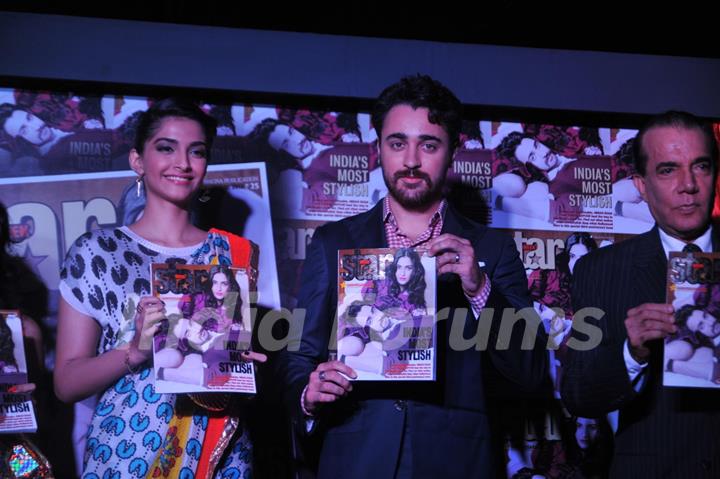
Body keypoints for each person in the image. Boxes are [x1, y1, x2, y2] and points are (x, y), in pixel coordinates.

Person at [279, 74, 545, 478]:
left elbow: (529, 372)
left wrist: (480, 289)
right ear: (379, 147)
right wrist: (308, 393)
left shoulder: (491, 249)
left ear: (453, 150)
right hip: (356, 459)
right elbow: (300, 354)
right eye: (398, 143)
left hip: (457, 462)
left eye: (429, 144)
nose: (411, 160)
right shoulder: (333, 242)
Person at [53, 98, 266, 478]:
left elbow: (228, 362)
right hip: (127, 453)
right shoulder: (98, 252)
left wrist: (241, 361)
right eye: (166, 148)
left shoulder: (234, 253)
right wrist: (134, 351)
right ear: (138, 160)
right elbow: (67, 384)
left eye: (196, 151)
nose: (183, 163)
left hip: (219, 452)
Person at [561, 110, 720, 477]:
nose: (688, 185)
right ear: (641, 186)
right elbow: (578, 393)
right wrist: (631, 354)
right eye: (668, 170)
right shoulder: (600, 270)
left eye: (701, 166)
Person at [179, 265, 246, 332]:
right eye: (215, 283)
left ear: (230, 285)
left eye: (224, 284)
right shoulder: (199, 298)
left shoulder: (233, 302)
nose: (219, 288)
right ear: (210, 284)